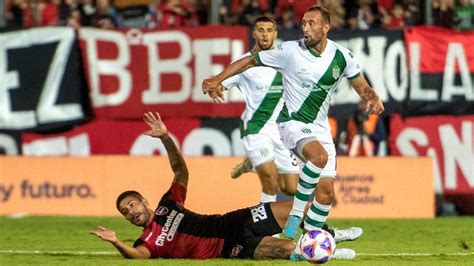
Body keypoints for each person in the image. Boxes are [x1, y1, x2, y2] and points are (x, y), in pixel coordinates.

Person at [202, 4, 384, 257]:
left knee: (326, 193)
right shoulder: (289, 51)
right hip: (291, 123)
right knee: (317, 158)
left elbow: (362, 88)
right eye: (304, 23)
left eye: (311, 23)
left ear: (326, 27)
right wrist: (217, 79)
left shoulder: (342, 56)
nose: (305, 28)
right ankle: (293, 220)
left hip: (319, 128)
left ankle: (318, 244)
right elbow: (250, 60)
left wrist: (372, 97)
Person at [90, 112, 360, 260]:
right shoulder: (147, 241)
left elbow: (180, 170)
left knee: (296, 208)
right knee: (287, 250)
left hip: (234, 221)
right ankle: (329, 252)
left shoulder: (167, 204)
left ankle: (329, 235)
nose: (130, 211)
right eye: (125, 211)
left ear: (143, 201)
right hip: (228, 248)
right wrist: (116, 243)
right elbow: (138, 256)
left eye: (132, 204)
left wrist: (165, 139)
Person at [215, 16, 300, 203]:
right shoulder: (243, 63)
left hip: (281, 131)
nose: (265, 34)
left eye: (269, 30)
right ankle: (268, 230)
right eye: (260, 30)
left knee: (291, 188)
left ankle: (251, 164)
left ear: (275, 34)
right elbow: (221, 83)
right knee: (270, 180)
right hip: (256, 127)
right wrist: (216, 86)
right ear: (254, 34)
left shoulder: (285, 60)